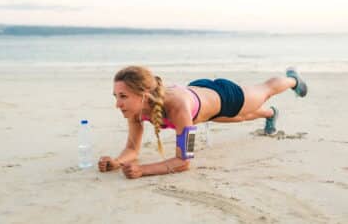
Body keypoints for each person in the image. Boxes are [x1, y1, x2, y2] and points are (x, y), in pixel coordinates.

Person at [98, 66, 308, 179]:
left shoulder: (179, 109)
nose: (118, 104)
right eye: (115, 96)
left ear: (143, 95)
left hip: (225, 96)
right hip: (201, 100)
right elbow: (132, 149)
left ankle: (293, 80)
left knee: (265, 90)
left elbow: (184, 161)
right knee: (242, 118)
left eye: (123, 96)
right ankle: (271, 114)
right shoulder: (136, 111)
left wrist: (143, 170)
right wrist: (118, 161)